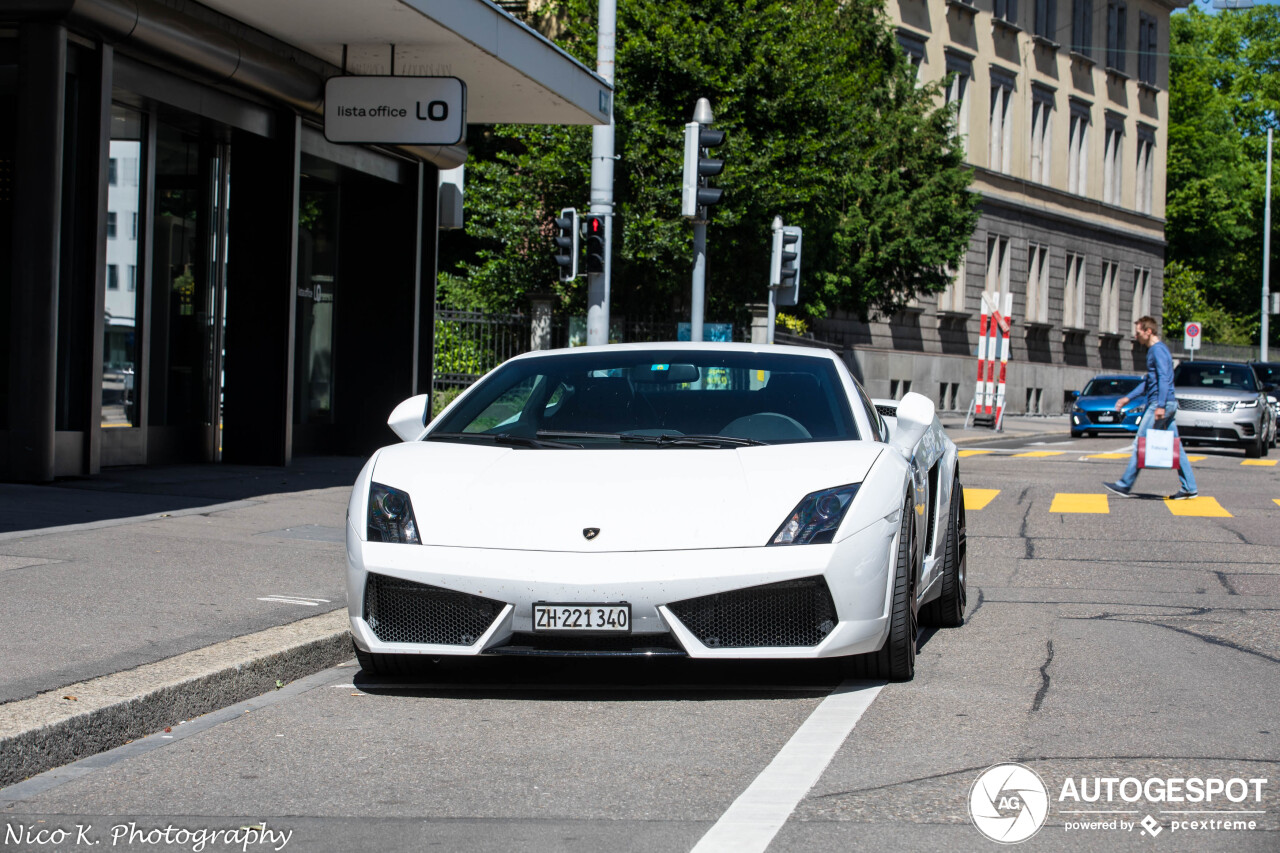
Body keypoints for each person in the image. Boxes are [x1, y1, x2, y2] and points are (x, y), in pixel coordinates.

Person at [1103, 316, 1198, 500]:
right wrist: (1127, 398)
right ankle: (1190, 487)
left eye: (1138, 333)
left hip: (1160, 403)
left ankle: (1124, 485)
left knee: (1141, 441)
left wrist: (1160, 405)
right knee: (1174, 445)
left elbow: (1163, 378)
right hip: (1163, 402)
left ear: (1148, 331)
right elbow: (1149, 382)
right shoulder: (1156, 351)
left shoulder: (1157, 351)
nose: (1136, 337)